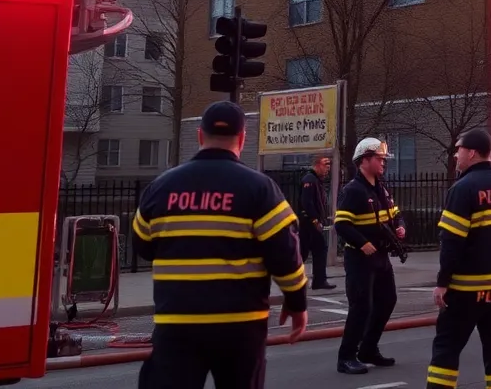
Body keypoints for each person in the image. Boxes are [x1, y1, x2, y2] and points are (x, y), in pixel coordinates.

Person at [132, 100, 308, 389]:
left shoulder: (161, 187)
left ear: (201, 136)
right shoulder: (260, 189)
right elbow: (285, 256)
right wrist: (296, 302)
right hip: (240, 325)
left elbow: (143, 245)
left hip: (177, 322)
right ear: (242, 138)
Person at [427, 127, 491, 389]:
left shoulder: (462, 189)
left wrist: (442, 283)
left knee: (447, 347)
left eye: (459, 150)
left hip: (467, 289)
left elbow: (451, 243)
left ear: (472, 152)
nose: (456, 155)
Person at [333, 137, 405, 375]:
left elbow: (395, 212)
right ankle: (346, 357)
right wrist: (362, 243)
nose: (383, 163)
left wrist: (400, 225)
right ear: (364, 161)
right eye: (379, 159)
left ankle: (368, 349)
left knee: (387, 300)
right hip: (360, 259)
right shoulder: (352, 190)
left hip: (381, 256)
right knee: (361, 307)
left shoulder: (381, 188)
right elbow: (341, 225)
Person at [298, 153, 336, 290]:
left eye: (329, 165)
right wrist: (315, 220)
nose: (328, 168)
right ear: (317, 164)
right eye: (326, 164)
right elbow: (306, 202)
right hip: (308, 224)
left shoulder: (316, 180)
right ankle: (317, 280)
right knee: (307, 252)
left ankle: (318, 280)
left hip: (311, 223)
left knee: (315, 250)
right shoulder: (310, 180)